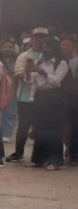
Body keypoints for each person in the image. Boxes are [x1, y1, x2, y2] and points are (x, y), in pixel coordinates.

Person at [29, 39, 69, 171]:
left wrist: (43, 72)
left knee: (53, 129)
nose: (45, 52)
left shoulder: (61, 63)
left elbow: (56, 81)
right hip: (40, 96)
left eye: (48, 49)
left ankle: (55, 160)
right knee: (39, 129)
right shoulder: (40, 61)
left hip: (55, 97)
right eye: (43, 49)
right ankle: (39, 159)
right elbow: (34, 80)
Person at [8, 31, 47, 162]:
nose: (40, 40)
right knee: (23, 127)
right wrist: (34, 72)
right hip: (25, 97)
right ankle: (18, 153)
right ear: (32, 39)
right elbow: (18, 73)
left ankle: (39, 156)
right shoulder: (24, 56)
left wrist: (33, 71)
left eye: (43, 37)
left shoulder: (49, 56)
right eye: (37, 37)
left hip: (43, 97)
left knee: (41, 127)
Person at [61, 35, 78, 165]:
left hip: (74, 97)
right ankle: (68, 151)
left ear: (74, 46)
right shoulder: (58, 61)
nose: (65, 47)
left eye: (68, 45)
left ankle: (72, 153)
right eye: (63, 44)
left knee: (74, 126)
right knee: (65, 126)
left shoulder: (76, 61)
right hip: (62, 97)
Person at [0, 39, 19, 143]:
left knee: (10, 112)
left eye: (10, 47)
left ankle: (6, 134)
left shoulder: (18, 60)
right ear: (1, 48)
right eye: (5, 46)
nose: (7, 49)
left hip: (12, 89)